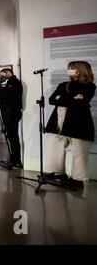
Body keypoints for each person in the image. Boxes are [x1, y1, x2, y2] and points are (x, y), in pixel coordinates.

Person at [44, 61, 95, 189]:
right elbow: (51, 100)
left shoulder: (89, 86)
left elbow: (82, 102)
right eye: (69, 68)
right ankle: (58, 173)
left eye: (72, 68)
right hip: (58, 120)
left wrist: (61, 98)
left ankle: (78, 179)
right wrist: (73, 97)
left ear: (81, 70)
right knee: (54, 146)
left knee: (79, 151)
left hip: (79, 122)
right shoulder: (63, 84)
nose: (69, 70)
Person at [0, 68, 23, 169]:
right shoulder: (10, 82)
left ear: (8, 73)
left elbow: (6, 95)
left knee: (13, 137)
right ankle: (13, 159)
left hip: (11, 113)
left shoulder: (14, 82)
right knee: (11, 137)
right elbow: (6, 95)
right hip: (9, 112)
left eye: (2, 75)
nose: (1, 77)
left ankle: (16, 161)